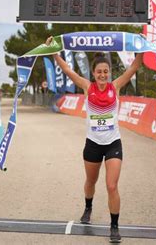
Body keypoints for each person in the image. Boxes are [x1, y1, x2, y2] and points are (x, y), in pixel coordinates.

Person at [46, 36, 143, 243]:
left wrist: (142, 48)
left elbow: (133, 68)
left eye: (106, 71)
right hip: (92, 144)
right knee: (91, 181)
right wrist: (54, 53)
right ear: (93, 73)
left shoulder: (115, 86)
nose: (102, 75)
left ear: (109, 73)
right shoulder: (86, 86)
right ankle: (88, 208)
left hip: (112, 143)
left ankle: (114, 227)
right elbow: (68, 71)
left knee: (111, 186)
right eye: (99, 71)